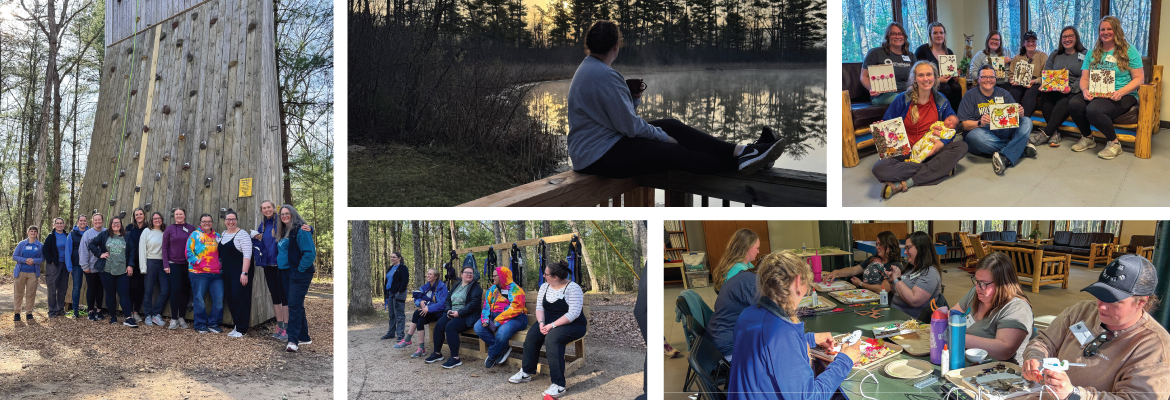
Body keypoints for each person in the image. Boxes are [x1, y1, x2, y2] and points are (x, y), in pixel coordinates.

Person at [567, 20, 782, 179]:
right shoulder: (605, 75)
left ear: (590, 45)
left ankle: (743, 151)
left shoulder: (587, 69)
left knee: (672, 125)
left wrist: (633, 99)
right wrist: (662, 137)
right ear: (616, 46)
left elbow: (616, 118)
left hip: (596, 150)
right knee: (674, 152)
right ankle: (742, 162)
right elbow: (630, 126)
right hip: (598, 156)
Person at [1020, 255, 1170, 400]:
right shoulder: (1081, 311)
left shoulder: (1154, 347)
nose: (1102, 306)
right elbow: (1044, 341)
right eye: (1100, 295)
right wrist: (1035, 357)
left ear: (1141, 302)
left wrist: (1073, 394)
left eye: (1114, 301)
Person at [725, 250, 863, 399]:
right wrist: (845, 360)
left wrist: (808, 339)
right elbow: (810, 397)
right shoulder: (781, 334)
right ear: (798, 282)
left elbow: (769, 352)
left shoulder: (748, 314)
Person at [871, 61, 967, 199]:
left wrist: (943, 142)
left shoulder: (941, 100)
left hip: (930, 150)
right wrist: (880, 132)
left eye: (929, 74)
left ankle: (907, 182)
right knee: (879, 169)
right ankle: (940, 168)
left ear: (934, 77)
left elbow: (953, 127)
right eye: (921, 75)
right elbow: (887, 125)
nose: (926, 78)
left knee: (961, 146)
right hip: (904, 151)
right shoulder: (901, 99)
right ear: (914, 79)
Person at [1068, 16, 1145, 160]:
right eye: (1102, 29)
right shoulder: (1092, 53)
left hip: (1124, 94)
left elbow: (1139, 78)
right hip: (1098, 92)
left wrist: (1121, 92)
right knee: (1074, 103)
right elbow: (1085, 78)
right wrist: (1085, 90)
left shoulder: (1129, 50)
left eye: (1109, 29)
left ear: (1116, 31)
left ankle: (1114, 143)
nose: (1105, 32)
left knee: (1094, 109)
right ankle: (1087, 138)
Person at [507, 261, 586, 398]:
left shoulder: (573, 288)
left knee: (552, 339)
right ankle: (526, 372)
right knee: (532, 335)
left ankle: (559, 385)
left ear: (555, 277)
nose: (544, 276)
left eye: (546, 274)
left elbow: (573, 314)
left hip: (573, 325)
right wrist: (542, 323)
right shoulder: (544, 287)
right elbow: (539, 308)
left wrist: (552, 326)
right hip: (547, 322)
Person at [950, 252, 1033, 364]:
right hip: (969, 362)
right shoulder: (976, 293)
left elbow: (1004, 350)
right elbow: (952, 314)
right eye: (977, 281)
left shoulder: (1017, 308)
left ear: (1004, 283)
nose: (978, 287)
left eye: (984, 283)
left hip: (1001, 373)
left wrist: (956, 336)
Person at [958, 64, 1037, 175]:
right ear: (978, 79)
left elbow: (1015, 116)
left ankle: (1005, 155)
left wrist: (1020, 113)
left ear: (996, 79)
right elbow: (964, 125)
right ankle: (1020, 148)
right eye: (984, 77)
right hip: (982, 133)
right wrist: (980, 122)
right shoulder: (970, 96)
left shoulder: (1003, 93)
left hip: (1004, 131)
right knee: (975, 136)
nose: (988, 80)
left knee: (1027, 121)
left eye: (991, 77)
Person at [1031, 26, 1088, 147]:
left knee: (1067, 100)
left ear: (1076, 37)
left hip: (1073, 88)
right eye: (1064, 37)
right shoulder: (1055, 54)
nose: (1067, 39)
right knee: (1044, 94)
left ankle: (1047, 132)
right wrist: (1045, 85)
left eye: (1070, 36)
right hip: (1055, 87)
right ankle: (1054, 132)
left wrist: (1070, 88)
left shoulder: (1084, 54)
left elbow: (1085, 76)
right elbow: (1047, 71)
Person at [424, 265, 483, 366]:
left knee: (450, 327)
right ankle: (437, 353)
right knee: (439, 325)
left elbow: (473, 304)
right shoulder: (456, 285)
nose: (469, 274)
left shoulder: (475, 287)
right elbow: (448, 299)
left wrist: (459, 313)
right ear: (461, 275)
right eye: (467, 273)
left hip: (467, 315)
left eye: (471, 273)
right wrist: (448, 310)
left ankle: (455, 358)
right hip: (452, 313)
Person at [278, 204, 316, 352]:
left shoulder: (301, 229)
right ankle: (304, 336)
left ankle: (292, 341)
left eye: (287, 213)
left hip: (299, 273)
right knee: (296, 304)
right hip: (286, 272)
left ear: (293, 214)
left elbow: (309, 253)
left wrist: (299, 270)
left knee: (293, 305)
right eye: (282, 214)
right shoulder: (284, 231)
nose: (285, 216)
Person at [474, 264, 528, 370]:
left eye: (495, 276)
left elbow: (515, 309)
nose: (493, 278)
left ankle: (493, 355)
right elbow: (486, 306)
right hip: (495, 316)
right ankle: (503, 349)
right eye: (493, 276)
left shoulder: (515, 289)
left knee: (502, 333)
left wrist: (496, 322)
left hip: (516, 317)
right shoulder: (492, 289)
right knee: (478, 327)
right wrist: (485, 319)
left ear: (503, 276)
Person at [704, 261, 758, 362]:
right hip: (727, 351)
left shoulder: (742, 276)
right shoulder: (753, 282)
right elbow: (770, 314)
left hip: (716, 341)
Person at [88, 216, 138, 327]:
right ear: (110, 224)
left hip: (122, 270)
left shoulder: (127, 236)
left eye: (118, 223)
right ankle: (113, 317)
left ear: (121, 224)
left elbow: (132, 251)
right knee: (110, 294)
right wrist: (99, 254)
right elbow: (91, 243)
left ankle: (128, 318)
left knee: (124, 294)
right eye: (114, 223)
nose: (116, 224)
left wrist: (130, 265)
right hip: (107, 269)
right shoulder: (104, 234)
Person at [823, 230, 904, 293]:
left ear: (888, 246)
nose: (877, 247)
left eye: (880, 244)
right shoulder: (874, 259)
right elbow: (855, 270)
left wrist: (861, 284)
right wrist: (836, 272)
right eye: (877, 244)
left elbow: (883, 289)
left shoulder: (894, 266)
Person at [254, 200, 289, 339]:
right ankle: (280, 326)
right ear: (262, 210)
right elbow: (259, 243)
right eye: (264, 208)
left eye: (269, 207)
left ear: (274, 208)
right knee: (275, 296)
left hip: (281, 266)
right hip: (268, 266)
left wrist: (309, 228)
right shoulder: (262, 226)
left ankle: (287, 327)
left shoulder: (281, 221)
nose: (267, 210)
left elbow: (296, 227)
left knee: (284, 296)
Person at [886, 231, 943, 318]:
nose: (905, 252)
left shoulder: (930, 272)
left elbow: (914, 300)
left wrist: (897, 279)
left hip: (910, 323)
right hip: (895, 316)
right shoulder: (911, 268)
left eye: (908, 248)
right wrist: (892, 281)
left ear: (921, 248)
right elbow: (896, 292)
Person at [861, 22, 918, 106]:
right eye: (893, 34)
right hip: (882, 95)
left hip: (907, 92)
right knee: (903, 99)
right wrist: (872, 88)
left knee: (931, 96)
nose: (897, 36)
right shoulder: (876, 53)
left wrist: (913, 87)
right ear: (888, 36)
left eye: (900, 34)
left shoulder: (911, 56)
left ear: (904, 37)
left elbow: (916, 77)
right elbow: (864, 76)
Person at [186, 214, 224, 333]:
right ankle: (200, 325)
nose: (207, 223)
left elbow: (222, 252)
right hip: (198, 273)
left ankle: (213, 323)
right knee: (199, 299)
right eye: (204, 221)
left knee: (219, 299)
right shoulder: (194, 235)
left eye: (209, 221)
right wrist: (198, 262)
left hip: (216, 274)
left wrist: (221, 265)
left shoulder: (217, 236)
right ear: (200, 222)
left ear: (212, 222)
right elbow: (188, 252)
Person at [914, 22, 964, 109]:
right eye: (935, 33)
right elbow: (916, 72)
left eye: (941, 33)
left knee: (956, 87)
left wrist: (955, 75)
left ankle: (957, 117)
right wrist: (937, 80)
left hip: (948, 81)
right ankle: (943, 115)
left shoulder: (949, 52)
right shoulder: (922, 50)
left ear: (944, 35)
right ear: (930, 35)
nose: (939, 35)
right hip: (929, 82)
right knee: (944, 88)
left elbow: (951, 71)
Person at [219, 209, 253, 337]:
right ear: (225, 221)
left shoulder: (242, 234)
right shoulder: (223, 233)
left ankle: (242, 329)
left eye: (233, 219)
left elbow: (247, 255)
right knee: (231, 300)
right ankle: (237, 325)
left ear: (237, 220)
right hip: (227, 273)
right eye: (228, 219)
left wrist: (244, 273)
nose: (231, 222)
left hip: (239, 273)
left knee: (240, 299)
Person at [398, 269, 447, 357]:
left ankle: (408, 339)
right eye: (427, 274)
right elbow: (417, 297)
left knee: (417, 313)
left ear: (436, 277)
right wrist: (420, 302)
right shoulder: (425, 287)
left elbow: (443, 304)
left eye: (430, 274)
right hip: (428, 311)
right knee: (420, 321)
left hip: (438, 313)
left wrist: (429, 308)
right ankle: (421, 348)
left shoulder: (442, 287)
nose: (428, 276)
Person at [161, 208, 196, 329]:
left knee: (185, 290)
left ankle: (182, 318)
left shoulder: (191, 228)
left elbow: (195, 245)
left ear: (185, 215)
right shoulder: (169, 229)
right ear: (174, 216)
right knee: (175, 290)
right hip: (173, 264)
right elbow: (164, 248)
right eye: (177, 214)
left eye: (181, 214)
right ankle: (174, 318)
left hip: (187, 265)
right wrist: (166, 264)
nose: (179, 216)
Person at [1006, 31, 1049, 119]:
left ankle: (1024, 120)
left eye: (1033, 41)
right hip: (1019, 82)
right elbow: (1010, 74)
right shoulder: (1017, 57)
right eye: (1028, 41)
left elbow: (1046, 75)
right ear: (1024, 43)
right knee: (1014, 91)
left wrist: (1035, 81)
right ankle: (1011, 119)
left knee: (1030, 93)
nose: (1030, 43)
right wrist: (1011, 80)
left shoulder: (1043, 56)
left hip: (1035, 82)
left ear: (1036, 43)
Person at [139, 211, 168, 327]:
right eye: (155, 218)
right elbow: (142, 249)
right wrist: (143, 267)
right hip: (150, 262)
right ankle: (147, 315)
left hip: (163, 263)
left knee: (166, 289)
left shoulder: (165, 232)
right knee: (148, 290)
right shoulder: (147, 231)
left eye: (159, 218)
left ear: (162, 220)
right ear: (151, 220)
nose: (157, 220)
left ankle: (156, 314)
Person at [42, 218, 74, 318]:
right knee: (52, 288)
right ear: (54, 225)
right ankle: (52, 311)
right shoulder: (51, 236)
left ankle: (60, 309)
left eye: (61, 223)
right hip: (54, 265)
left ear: (64, 225)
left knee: (63, 288)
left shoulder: (67, 235)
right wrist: (51, 261)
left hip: (65, 265)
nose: (59, 225)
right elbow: (45, 250)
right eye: (57, 223)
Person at [712, 228, 759, 293]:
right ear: (747, 247)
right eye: (757, 248)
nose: (758, 252)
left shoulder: (746, 264)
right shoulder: (738, 270)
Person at [12, 226, 44, 322]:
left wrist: (33, 261)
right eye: (31, 231)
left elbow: (42, 259)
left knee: (31, 294)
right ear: (28, 232)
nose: (33, 233)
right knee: (18, 293)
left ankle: (29, 313)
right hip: (20, 272)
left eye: (35, 231)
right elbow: (15, 256)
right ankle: (17, 313)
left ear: (37, 233)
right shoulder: (22, 244)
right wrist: (25, 260)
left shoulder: (40, 245)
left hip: (33, 273)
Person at [79, 213, 107, 321]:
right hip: (90, 267)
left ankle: (99, 310)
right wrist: (85, 265)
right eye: (96, 220)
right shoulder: (87, 234)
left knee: (100, 289)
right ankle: (90, 311)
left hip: (104, 267)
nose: (98, 222)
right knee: (91, 288)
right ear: (92, 221)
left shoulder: (106, 232)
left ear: (102, 220)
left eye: (99, 220)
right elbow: (83, 251)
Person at [125, 208, 147, 323]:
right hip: (131, 262)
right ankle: (129, 312)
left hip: (143, 262)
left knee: (140, 288)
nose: (139, 216)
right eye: (136, 214)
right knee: (130, 288)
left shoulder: (148, 228)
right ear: (134, 216)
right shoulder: (129, 228)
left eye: (140, 214)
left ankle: (136, 312)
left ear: (144, 215)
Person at [382, 251, 409, 341]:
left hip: (399, 293)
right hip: (390, 293)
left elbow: (405, 280)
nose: (392, 258)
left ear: (399, 258)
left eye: (394, 257)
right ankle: (391, 333)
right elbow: (387, 281)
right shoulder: (390, 268)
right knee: (391, 314)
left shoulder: (402, 268)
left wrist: (400, 291)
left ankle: (401, 335)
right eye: (391, 257)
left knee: (399, 314)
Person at [68, 215, 90, 318]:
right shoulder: (72, 234)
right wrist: (69, 266)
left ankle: (90, 310)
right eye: (81, 221)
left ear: (87, 222)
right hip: (76, 264)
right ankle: (75, 310)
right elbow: (68, 251)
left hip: (89, 264)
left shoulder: (90, 233)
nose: (83, 222)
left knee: (91, 287)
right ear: (78, 222)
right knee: (76, 287)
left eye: (84, 221)